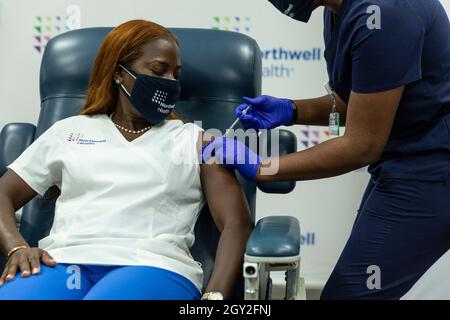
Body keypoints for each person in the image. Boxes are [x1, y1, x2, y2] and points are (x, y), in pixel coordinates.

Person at [203, 0, 450, 299]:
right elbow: (361, 101)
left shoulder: (386, 13)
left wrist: (262, 168)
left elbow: (361, 146)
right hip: (403, 161)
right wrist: (292, 110)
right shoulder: (337, 13)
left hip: (432, 171)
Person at [0, 19, 252, 300]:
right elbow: (3, 193)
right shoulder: (68, 131)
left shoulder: (195, 140)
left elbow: (236, 223)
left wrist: (213, 296)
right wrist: (17, 247)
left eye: (175, 75)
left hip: (153, 266)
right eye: (158, 70)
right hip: (61, 261)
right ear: (119, 74)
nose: (170, 82)